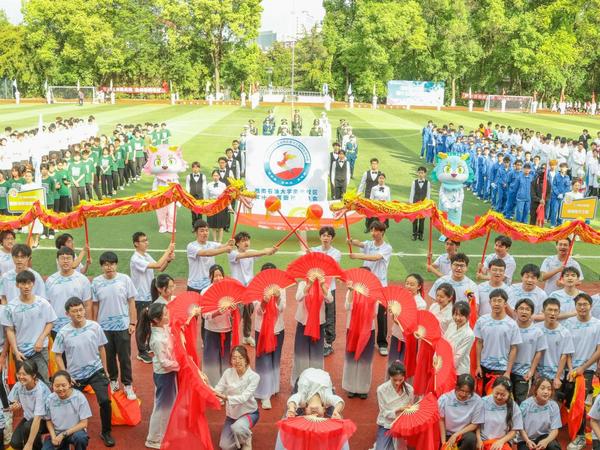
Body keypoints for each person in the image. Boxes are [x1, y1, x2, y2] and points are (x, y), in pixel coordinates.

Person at [52, 297, 114, 447]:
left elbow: (101, 348)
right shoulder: (63, 332)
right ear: (68, 314)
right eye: (74, 311)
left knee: (105, 401)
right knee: (69, 403)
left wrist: (105, 370)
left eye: (81, 309)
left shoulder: (95, 327)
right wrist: (66, 375)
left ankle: (106, 432)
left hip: (95, 370)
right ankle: (76, 430)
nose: (79, 313)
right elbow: (57, 354)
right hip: (75, 375)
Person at [91, 251, 138, 400]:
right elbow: (95, 305)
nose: (109, 267)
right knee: (109, 357)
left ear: (116, 265)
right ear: (101, 266)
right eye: (105, 264)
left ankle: (127, 384)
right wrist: (95, 324)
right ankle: (113, 381)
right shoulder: (96, 282)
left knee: (124, 357)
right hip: (104, 328)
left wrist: (132, 322)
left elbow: (131, 302)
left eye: (111, 264)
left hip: (122, 326)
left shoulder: (125, 279)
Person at [2, 270, 56, 385]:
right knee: (23, 383)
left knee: (43, 383)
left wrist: (41, 339)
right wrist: (16, 351)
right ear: (17, 285)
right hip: (21, 353)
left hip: (40, 350)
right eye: (23, 283)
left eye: (29, 283)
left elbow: (50, 322)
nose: (26, 286)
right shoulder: (11, 307)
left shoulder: (43, 303)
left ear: (33, 283)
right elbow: (9, 330)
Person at [348, 220, 393, 356]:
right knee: (363, 311)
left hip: (380, 285)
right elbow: (360, 243)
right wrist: (351, 241)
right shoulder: (368, 244)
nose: (373, 233)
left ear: (382, 232)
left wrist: (357, 256)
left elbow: (375, 258)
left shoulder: (387, 248)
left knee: (381, 315)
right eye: (372, 230)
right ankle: (363, 338)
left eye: (376, 230)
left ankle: (382, 343)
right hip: (366, 284)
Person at [138, 302, 179, 449]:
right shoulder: (157, 339)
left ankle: (162, 434)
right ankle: (154, 439)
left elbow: (173, 327)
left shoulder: (162, 328)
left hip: (167, 374)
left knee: (165, 406)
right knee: (162, 408)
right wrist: (181, 365)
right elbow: (164, 362)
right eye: (166, 314)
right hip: (165, 374)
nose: (168, 315)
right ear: (156, 319)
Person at [563, 292, 600, 450]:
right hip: (571, 369)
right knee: (570, 400)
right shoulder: (569, 324)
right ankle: (572, 429)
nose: (582, 307)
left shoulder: (597, 324)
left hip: (587, 369)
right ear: (575, 306)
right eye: (579, 304)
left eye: (585, 304)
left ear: (590, 306)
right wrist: (571, 368)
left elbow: (598, 350)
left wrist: (583, 368)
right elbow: (567, 349)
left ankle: (580, 437)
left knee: (580, 403)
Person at [130, 232, 174, 363]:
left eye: (146, 240)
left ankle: (149, 346)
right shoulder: (136, 258)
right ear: (136, 243)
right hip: (140, 297)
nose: (146, 242)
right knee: (142, 325)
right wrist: (168, 250)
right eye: (143, 241)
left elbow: (160, 267)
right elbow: (156, 265)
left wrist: (168, 260)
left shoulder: (145, 255)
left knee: (152, 321)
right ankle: (141, 351)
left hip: (149, 295)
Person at [228, 231, 276, 347]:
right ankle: (231, 337)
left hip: (249, 289)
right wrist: (264, 251)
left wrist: (271, 250)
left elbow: (263, 252)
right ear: (237, 244)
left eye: (247, 240)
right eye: (243, 240)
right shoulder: (232, 253)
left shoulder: (251, 252)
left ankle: (246, 336)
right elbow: (247, 255)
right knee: (236, 315)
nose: (246, 243)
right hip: (237, 290)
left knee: (248, 314)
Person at [253, 263, 286, 410]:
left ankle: (273, 387)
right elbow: (258, 312)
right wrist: (264, 302)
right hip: (262, 331)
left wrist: (277, 298)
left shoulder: (281, 288)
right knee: (264, 361)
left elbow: (282, 309)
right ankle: (264, 394)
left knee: (275, 359)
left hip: (278, 330)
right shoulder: (257, 288)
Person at [213, 346, 260, 450]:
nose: (237, 361)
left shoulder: (254, 377)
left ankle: (246, 438)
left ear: (246, 359)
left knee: (239, 428)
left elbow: (244, 398)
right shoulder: (228, 373)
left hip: (249, 413)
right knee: (224, 446)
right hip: (232, 416)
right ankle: (241, 433)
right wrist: (207, 386)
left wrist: (225, 398)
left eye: (240, 358)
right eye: (234, 358)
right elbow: (218, 389)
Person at [291, 274, 333, 386]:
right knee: (301, 355)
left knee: (316, 355)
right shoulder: (303, 283)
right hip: (303, 323)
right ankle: (299, 383)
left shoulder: (323, 284)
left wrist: (323, 286)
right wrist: (308, 285)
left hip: (318, 324)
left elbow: (329, 299)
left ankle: (317, 384)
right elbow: (298, 297)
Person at [474, 288, 522, 385]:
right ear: (489, 302)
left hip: (501, 369)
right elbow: (479, 343)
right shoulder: (481, 321)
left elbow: (514, 349)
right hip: (484, 367)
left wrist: (508, 372)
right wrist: (478, 366)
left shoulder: (512, 324)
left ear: (505, 304)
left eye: (499, 301)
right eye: (494, 300)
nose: (496, 304)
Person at [342, 272, 378, 399]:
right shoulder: (351, 291)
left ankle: (363, 388)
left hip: (367, 330)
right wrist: (351, 292)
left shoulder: (374, 294)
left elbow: (375, 312)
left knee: (365, 359)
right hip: (352, 328)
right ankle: (350, 387)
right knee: (351, 357)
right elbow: (347, 306)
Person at [45, 246, 92, 336]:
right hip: (56, 328)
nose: (65, 261)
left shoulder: (82, 280)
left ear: (73, 260)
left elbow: (87, 304)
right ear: (57, 261)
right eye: (62, 258)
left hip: (78, 327)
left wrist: (88, 325)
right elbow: (47, 305)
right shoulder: (50, 280)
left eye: (68, 258)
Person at [202, 265, 235, 385]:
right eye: (215, 276)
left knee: (225, 358)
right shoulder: (205, 292)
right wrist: (216, 313)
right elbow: (204, 314)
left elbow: (233, 315)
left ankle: (223, 384)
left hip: (226, 329)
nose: (218, 278)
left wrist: (233, 310)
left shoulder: (229, 290)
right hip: (211, 330)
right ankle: (211, 385)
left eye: (220, 275)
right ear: (210, 277)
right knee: (211, 359)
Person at [311, 226, 342, 357]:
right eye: (323, 235)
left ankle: (328, 343)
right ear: (320, 237)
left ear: (332, 238)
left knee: (329, 316)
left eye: (328, 236)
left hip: (329, 288)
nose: (326, 238)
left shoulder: (336, 253)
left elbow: (329, 266)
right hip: (315, 288)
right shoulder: (314, 250)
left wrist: (314, 257)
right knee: (316, 313)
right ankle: (317, 338)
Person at [42, 370, 91, 450]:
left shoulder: (79, 397)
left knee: (80, 438)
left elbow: (84, 423)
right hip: (57, 433)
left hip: (74, 432)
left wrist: (63, 435)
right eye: (57, 386)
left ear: (69, 384)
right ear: (52, 386)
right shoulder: (50, 399)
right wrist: (53, 436)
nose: (60, 389)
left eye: (63, 385)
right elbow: (48, 420)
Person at [511, 298, 547, 404]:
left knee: (521, 401)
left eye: (527, 309)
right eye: (521, 308)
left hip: (523, 373)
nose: (524, 311)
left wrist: (531, 370)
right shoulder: (509, 327)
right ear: (515, 311)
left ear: (532, 313)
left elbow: (539, 352)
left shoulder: (537, 332)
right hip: (506, 371)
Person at [8, 361, 50, 450]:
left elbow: (38, 418)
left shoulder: (40, 390)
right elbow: (11, 403)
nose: (21, 377)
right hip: (29, 418)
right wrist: (14, 405)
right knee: (15, 443)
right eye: (19, 373)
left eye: (24, 374)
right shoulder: (19, 385)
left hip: (47, 421)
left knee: (28, 427)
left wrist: (29, 444)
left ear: (34, 375)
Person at [388, 273, 427, 366]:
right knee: (392, 363)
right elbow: (394, 318)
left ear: (419, 286)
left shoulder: (421, 304)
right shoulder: (400, 297)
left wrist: (397, 318)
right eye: (407, 283)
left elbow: (413, 324)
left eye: (412, 284)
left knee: (405, 365)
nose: (408, 286)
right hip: (396, 335)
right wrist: (392, 312)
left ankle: (405, 381)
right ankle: (390, 380)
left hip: (409, 339)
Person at [186, 219, 234, 293]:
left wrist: (229, 243)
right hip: (194, 286)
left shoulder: (212, 244)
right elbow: (207, 253)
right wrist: (226, 249)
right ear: (196, 233)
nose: (205, 233)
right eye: (202, 231)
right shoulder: (191, 246)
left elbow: (223, 246)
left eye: (207, 230)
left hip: (209, 286)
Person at [375, 361, 414, 450]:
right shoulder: (381, 390)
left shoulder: (410, 389)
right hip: (386, 424)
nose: (397, 383)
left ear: (404, 377)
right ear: (390, 377)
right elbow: (384, 412)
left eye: (400, 380)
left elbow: (410, 407)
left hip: (402, 424)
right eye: (394, 380)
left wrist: (408, 410)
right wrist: (398, 410)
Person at [536, 298, 574, 390]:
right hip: (537, 376)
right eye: (550, 310)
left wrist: (557, 377)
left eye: (555, 310)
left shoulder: (565, 332)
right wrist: (534, 373)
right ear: (543, 311)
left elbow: (564, 356)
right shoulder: (536, 329)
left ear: (559, 312)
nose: (553, 313)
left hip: (555, 376)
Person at [475, 376, 523, 448]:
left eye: (503, 395)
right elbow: (476, 424)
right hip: (483, 441)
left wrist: (501, 441)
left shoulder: (514, 407)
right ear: (492, 389)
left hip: (502, 442)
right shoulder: (483, 402)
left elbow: (514, 431)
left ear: (509, 394)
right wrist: (479, 440)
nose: (499, 397)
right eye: (496, 393)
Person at [438, 374, 483, 450]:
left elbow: (475, 424)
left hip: (464, 433)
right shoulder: (445, 399)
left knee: (471, 439)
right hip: (447, 433)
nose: (463, 394)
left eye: (467, 392)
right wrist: (443, 442)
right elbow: (441, 420)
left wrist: (456, 435)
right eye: (461, 390)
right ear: (456, 387)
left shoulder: (477, 401)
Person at [517, 378, 561, 450]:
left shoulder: (553, 405)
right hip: (526, 439)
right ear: (536, 390)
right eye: (542, 388)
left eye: (549, 389)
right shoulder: (525, 404)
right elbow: (520, 427)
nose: (546, 392)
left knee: (554, 447)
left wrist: (546, 441)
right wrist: (528, 441)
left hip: (544, 436)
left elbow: (555, 430)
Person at [444, 301, 475, 376]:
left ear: (468, 316)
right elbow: (443, 342)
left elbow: (458, 356)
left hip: (458, 371)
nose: (457, 318)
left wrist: (446, 368)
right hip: (445, 365)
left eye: (461, 315)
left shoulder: (469, 334)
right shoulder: (451, 325)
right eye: (455, 314)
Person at [207, 170, 232, 243]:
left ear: (219, 176)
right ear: (212, 176)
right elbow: (206, 196)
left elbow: (226, 196)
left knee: (221, 225)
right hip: (212, 206)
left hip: (221, 206)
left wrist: (229, 206)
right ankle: (214, 240)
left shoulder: (223, 185)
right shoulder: (209, 185)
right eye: (214, 175)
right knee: (213, 224)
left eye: (217, 175)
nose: (215, 177)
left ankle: (220, 241)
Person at [357, 158, 381, 232]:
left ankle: (376, 227)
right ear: (370, 164)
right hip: (368, 195)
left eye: (375, 164)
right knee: (368, 213)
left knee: (377, 212)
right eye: (373, 164)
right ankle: (368, 227)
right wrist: (358, 194)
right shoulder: (366, 173)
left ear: (377, 165)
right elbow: (362, 184)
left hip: (377, 196)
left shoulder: (380, 174)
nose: (374, 165)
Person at [408, 167, 430, 241]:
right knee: (414, 220)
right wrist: (411, 203)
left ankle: (421, 234)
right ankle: (414, 234)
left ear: (425, 174)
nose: (420, 174)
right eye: (419, 173)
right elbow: (412, 193)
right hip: (415, 204)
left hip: (423, 205)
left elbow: (428, 194)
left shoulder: (428, 183)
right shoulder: (414, 182)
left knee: (422, 220)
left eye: (422, 173)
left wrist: (427, 204)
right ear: (417, 173)